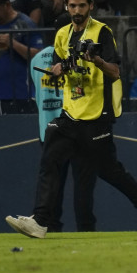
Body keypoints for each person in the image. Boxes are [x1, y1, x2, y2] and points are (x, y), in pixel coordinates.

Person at [5, 0, 137, 239]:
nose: (77, 10)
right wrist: (57, 69)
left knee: (108, 170)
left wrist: (97, 61)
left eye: (82, 5)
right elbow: (60, 64)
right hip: (70, 112)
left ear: (91, 7)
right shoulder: (62, 35)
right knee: (49, 159)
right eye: (73, 5)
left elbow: (115, 71)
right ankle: (41, 221)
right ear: (66, 6)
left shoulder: (102, 32)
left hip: (97, 113)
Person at [31, 33, 96, 232]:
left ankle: (50, 227)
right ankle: (86, 229)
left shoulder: (36, 59)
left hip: (48, 129)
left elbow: (37, 94)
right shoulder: (77, 57)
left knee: (52, 185)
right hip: (77, 126)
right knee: (83, 185)